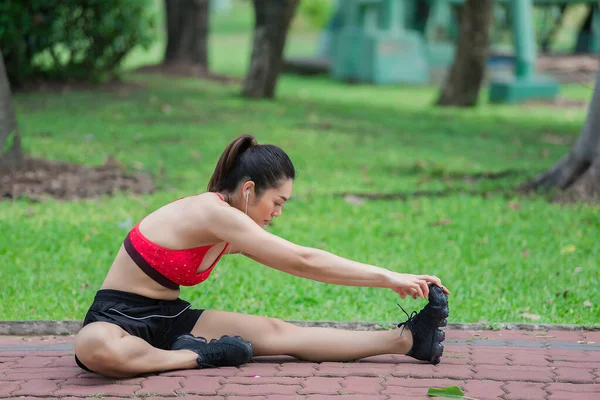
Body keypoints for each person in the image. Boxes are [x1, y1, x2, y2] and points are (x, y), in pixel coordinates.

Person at [74, 134, 451, 378]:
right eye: (277, 202)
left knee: (278, 332)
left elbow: (306, 261)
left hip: (170, 321)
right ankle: (198, 357)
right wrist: (390, 277)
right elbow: (302, 260)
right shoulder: (212, 213)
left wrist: (390, 276)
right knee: (94, 348)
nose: (278, 213)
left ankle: (408, 341)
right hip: (117, 318)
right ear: (250, 190)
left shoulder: (229, 227)